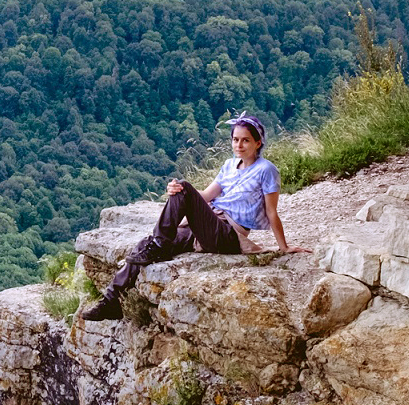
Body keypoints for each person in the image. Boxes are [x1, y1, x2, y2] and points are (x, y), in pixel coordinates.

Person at [79, 115, 308, 322]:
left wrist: (283, 247)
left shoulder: (267, 170)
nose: (239, 145)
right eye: (235, 139)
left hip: (228, 234)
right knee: (145, 243)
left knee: (180, 200)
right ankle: (111, 300)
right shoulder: (229, 165)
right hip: (210, 224)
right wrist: (176, 190)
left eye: (245, 140)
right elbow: (207, 196)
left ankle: (160, 243)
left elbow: (271, 212)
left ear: (258, 143)